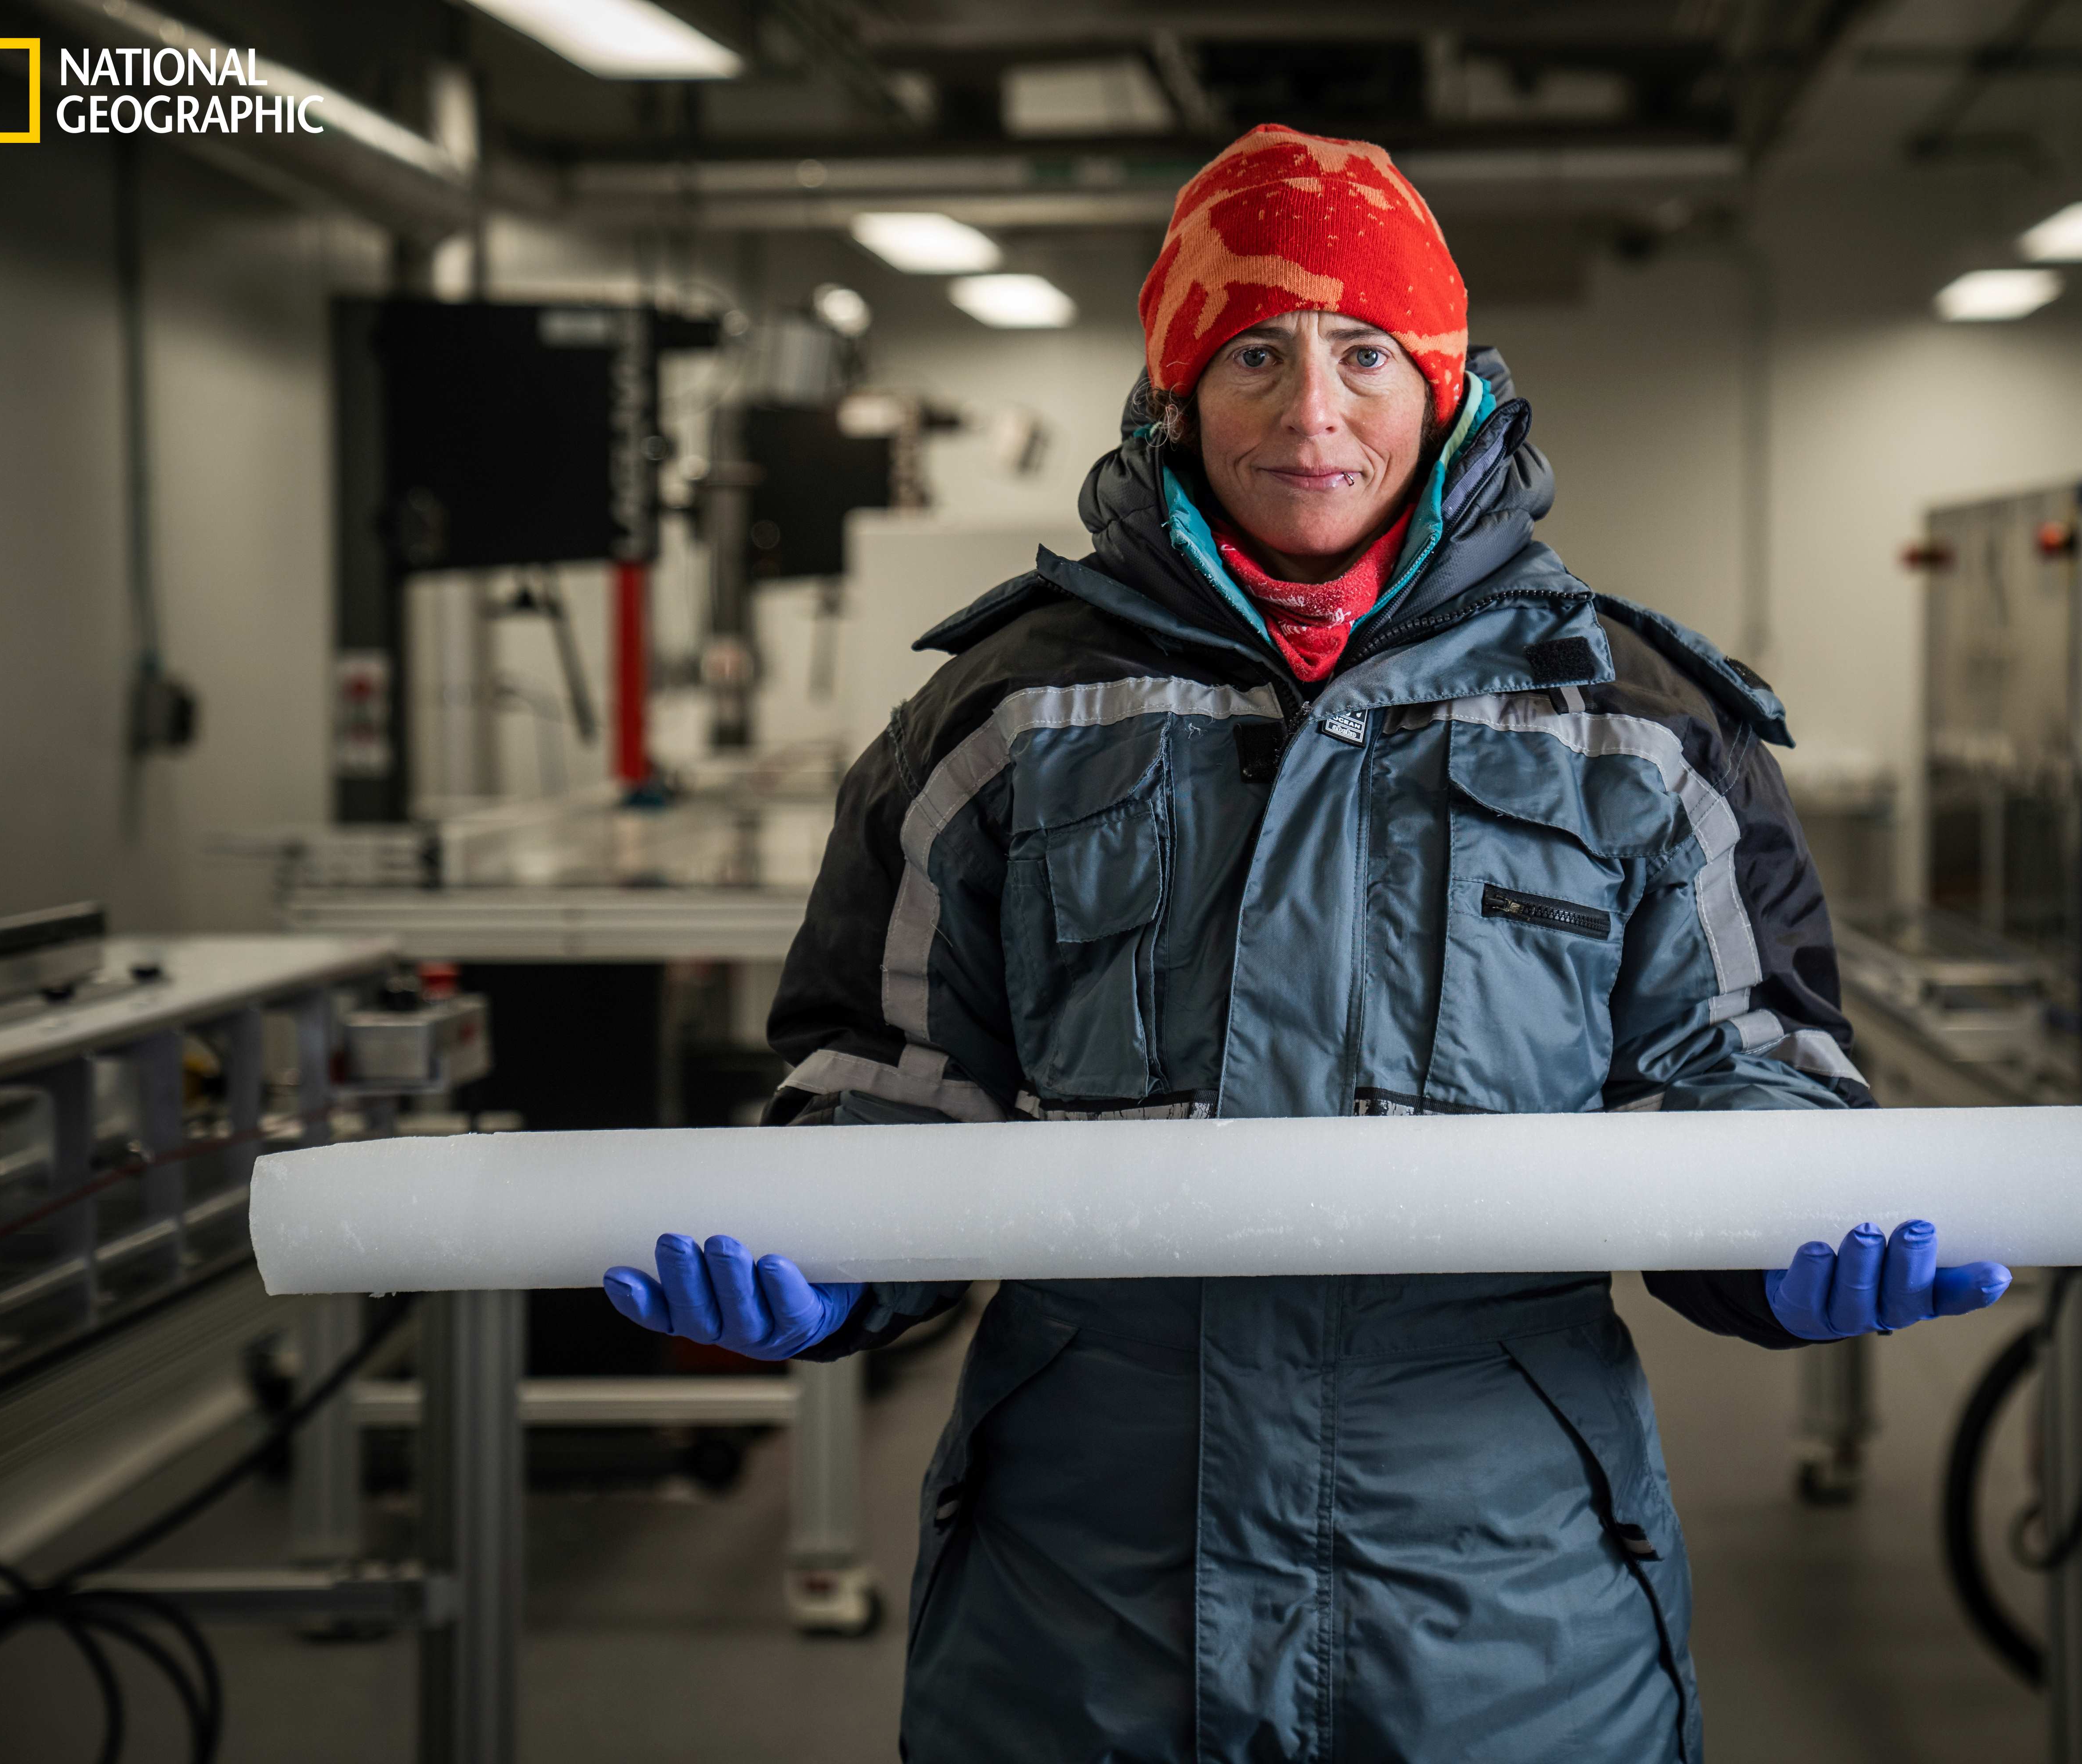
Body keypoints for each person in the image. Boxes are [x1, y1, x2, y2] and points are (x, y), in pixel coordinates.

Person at [604, 124, 2010, 1760]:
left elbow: (1736, 1065)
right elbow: (897, 1076)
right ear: (1179, 393)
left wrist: (1793, 1227)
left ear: (1448, 386)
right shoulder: (1003, 714)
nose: (1313, 410)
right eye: (1255, 352)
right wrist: (816, 1257)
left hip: (1502, 1619)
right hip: (1084, 1613)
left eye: (1365, 353)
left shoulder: (1631, 721)